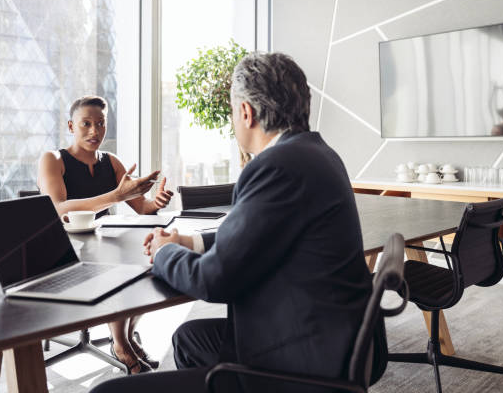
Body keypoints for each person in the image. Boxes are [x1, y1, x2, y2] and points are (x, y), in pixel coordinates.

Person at [91, 52, 374, 393]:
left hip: (304, 357)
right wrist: (189, 242)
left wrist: (165, 253)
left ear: (245, 112)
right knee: (188, 338)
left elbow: (215, 280)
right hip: (338, 337)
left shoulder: (277, 165)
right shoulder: (317, 153)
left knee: (105, 392)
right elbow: (255, 234)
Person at [38, 95, 174, 374]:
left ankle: (125, 335)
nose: (94, 131)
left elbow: (142, 208)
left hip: (101, 245)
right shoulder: (53, 159)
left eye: (100, 124)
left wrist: (155, 202)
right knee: (121, 267)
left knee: (150, 264)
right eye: (86, 123)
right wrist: (115, 196)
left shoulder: (111, 162)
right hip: (62, 252)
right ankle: (121, 344)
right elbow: (59, 209)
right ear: (70, 126)